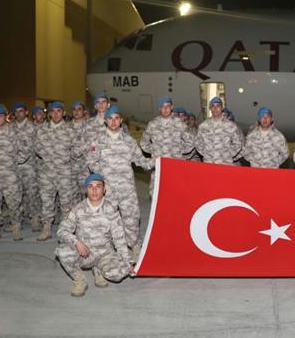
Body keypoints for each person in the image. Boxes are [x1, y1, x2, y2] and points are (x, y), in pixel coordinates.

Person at [87, 106, 155, 262]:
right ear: (105, 121)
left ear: (121, 120)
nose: (113, 121)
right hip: (108, 190)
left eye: (116, 118)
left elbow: (140, 161)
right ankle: (108, 250)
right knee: (107, 220)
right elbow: (91, 162)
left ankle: (134, 246)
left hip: (127, 189)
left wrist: (154, 161)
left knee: (131, 218)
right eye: (110, 118)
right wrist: (103, 180)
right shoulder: (98, 140)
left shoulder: (128, 140)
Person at [55, 174, 134, 297]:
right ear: (86, 190)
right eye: (90, 187)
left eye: (98, 186)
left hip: (105, 253)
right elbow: (62, 230)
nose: (94, 190)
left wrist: (126, 262)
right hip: (85, 253)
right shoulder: (78, 209)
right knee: (63, 252)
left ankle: (98, 270)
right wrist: (76, 242)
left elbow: (119, 238)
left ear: (104, 189)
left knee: (118, 274)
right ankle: (80, 280)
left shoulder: (111, 210)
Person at [0, 104, 29, 241]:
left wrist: (13, 162)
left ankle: (16, 227)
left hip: (10, 176)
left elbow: (25, 151)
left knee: (14, 203)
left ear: (6, 116)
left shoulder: (14, 132)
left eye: (0, 116)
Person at [33, 101, 80, 241]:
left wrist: (64, 158)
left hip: (64, 173)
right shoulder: (42, 130)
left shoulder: (70, 130)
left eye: (59, 111)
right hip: (46, 172)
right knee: (47, 201)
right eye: (53, 111)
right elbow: (37, 147)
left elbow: (77, 149)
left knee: (66, 203)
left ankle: (66, 230)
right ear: (49, 114)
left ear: (64, 113)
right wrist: (49, 157)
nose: (56, 114)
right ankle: (46, 228)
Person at [140, 95, 194, 200]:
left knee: (176, 195)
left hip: (175, 166)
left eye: (168, 106)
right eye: (163, 107)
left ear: (172, 107)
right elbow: (144, 142)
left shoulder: (179, 123)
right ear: (159, 108)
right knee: (156, 196)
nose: (165, 109)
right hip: (159, 166)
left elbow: (190, 141)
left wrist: (179, 153)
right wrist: (154, 151)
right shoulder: (153, 124)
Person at [10, 102, 42, 232]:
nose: (19, 114)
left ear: (26, 112)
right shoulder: (9, 127)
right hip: (13, 168)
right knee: (15, 195)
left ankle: (35, 218)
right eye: (16, 111)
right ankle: (16, 221)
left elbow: (31, 147)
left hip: (29, 167)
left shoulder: (32, 127)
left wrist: (15, 159)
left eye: (21, 111)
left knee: (31, 194)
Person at [195, 96, 244, 165]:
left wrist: (227, 155)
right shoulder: (203, 126)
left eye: (218, 106)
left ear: (222, 108)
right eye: (213, 106)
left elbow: (238, 143)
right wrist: (207, 154)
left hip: (225, 163)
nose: (215, 108)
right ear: (210, 108)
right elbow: (198, 143)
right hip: (209, 163)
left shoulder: (231, 125)